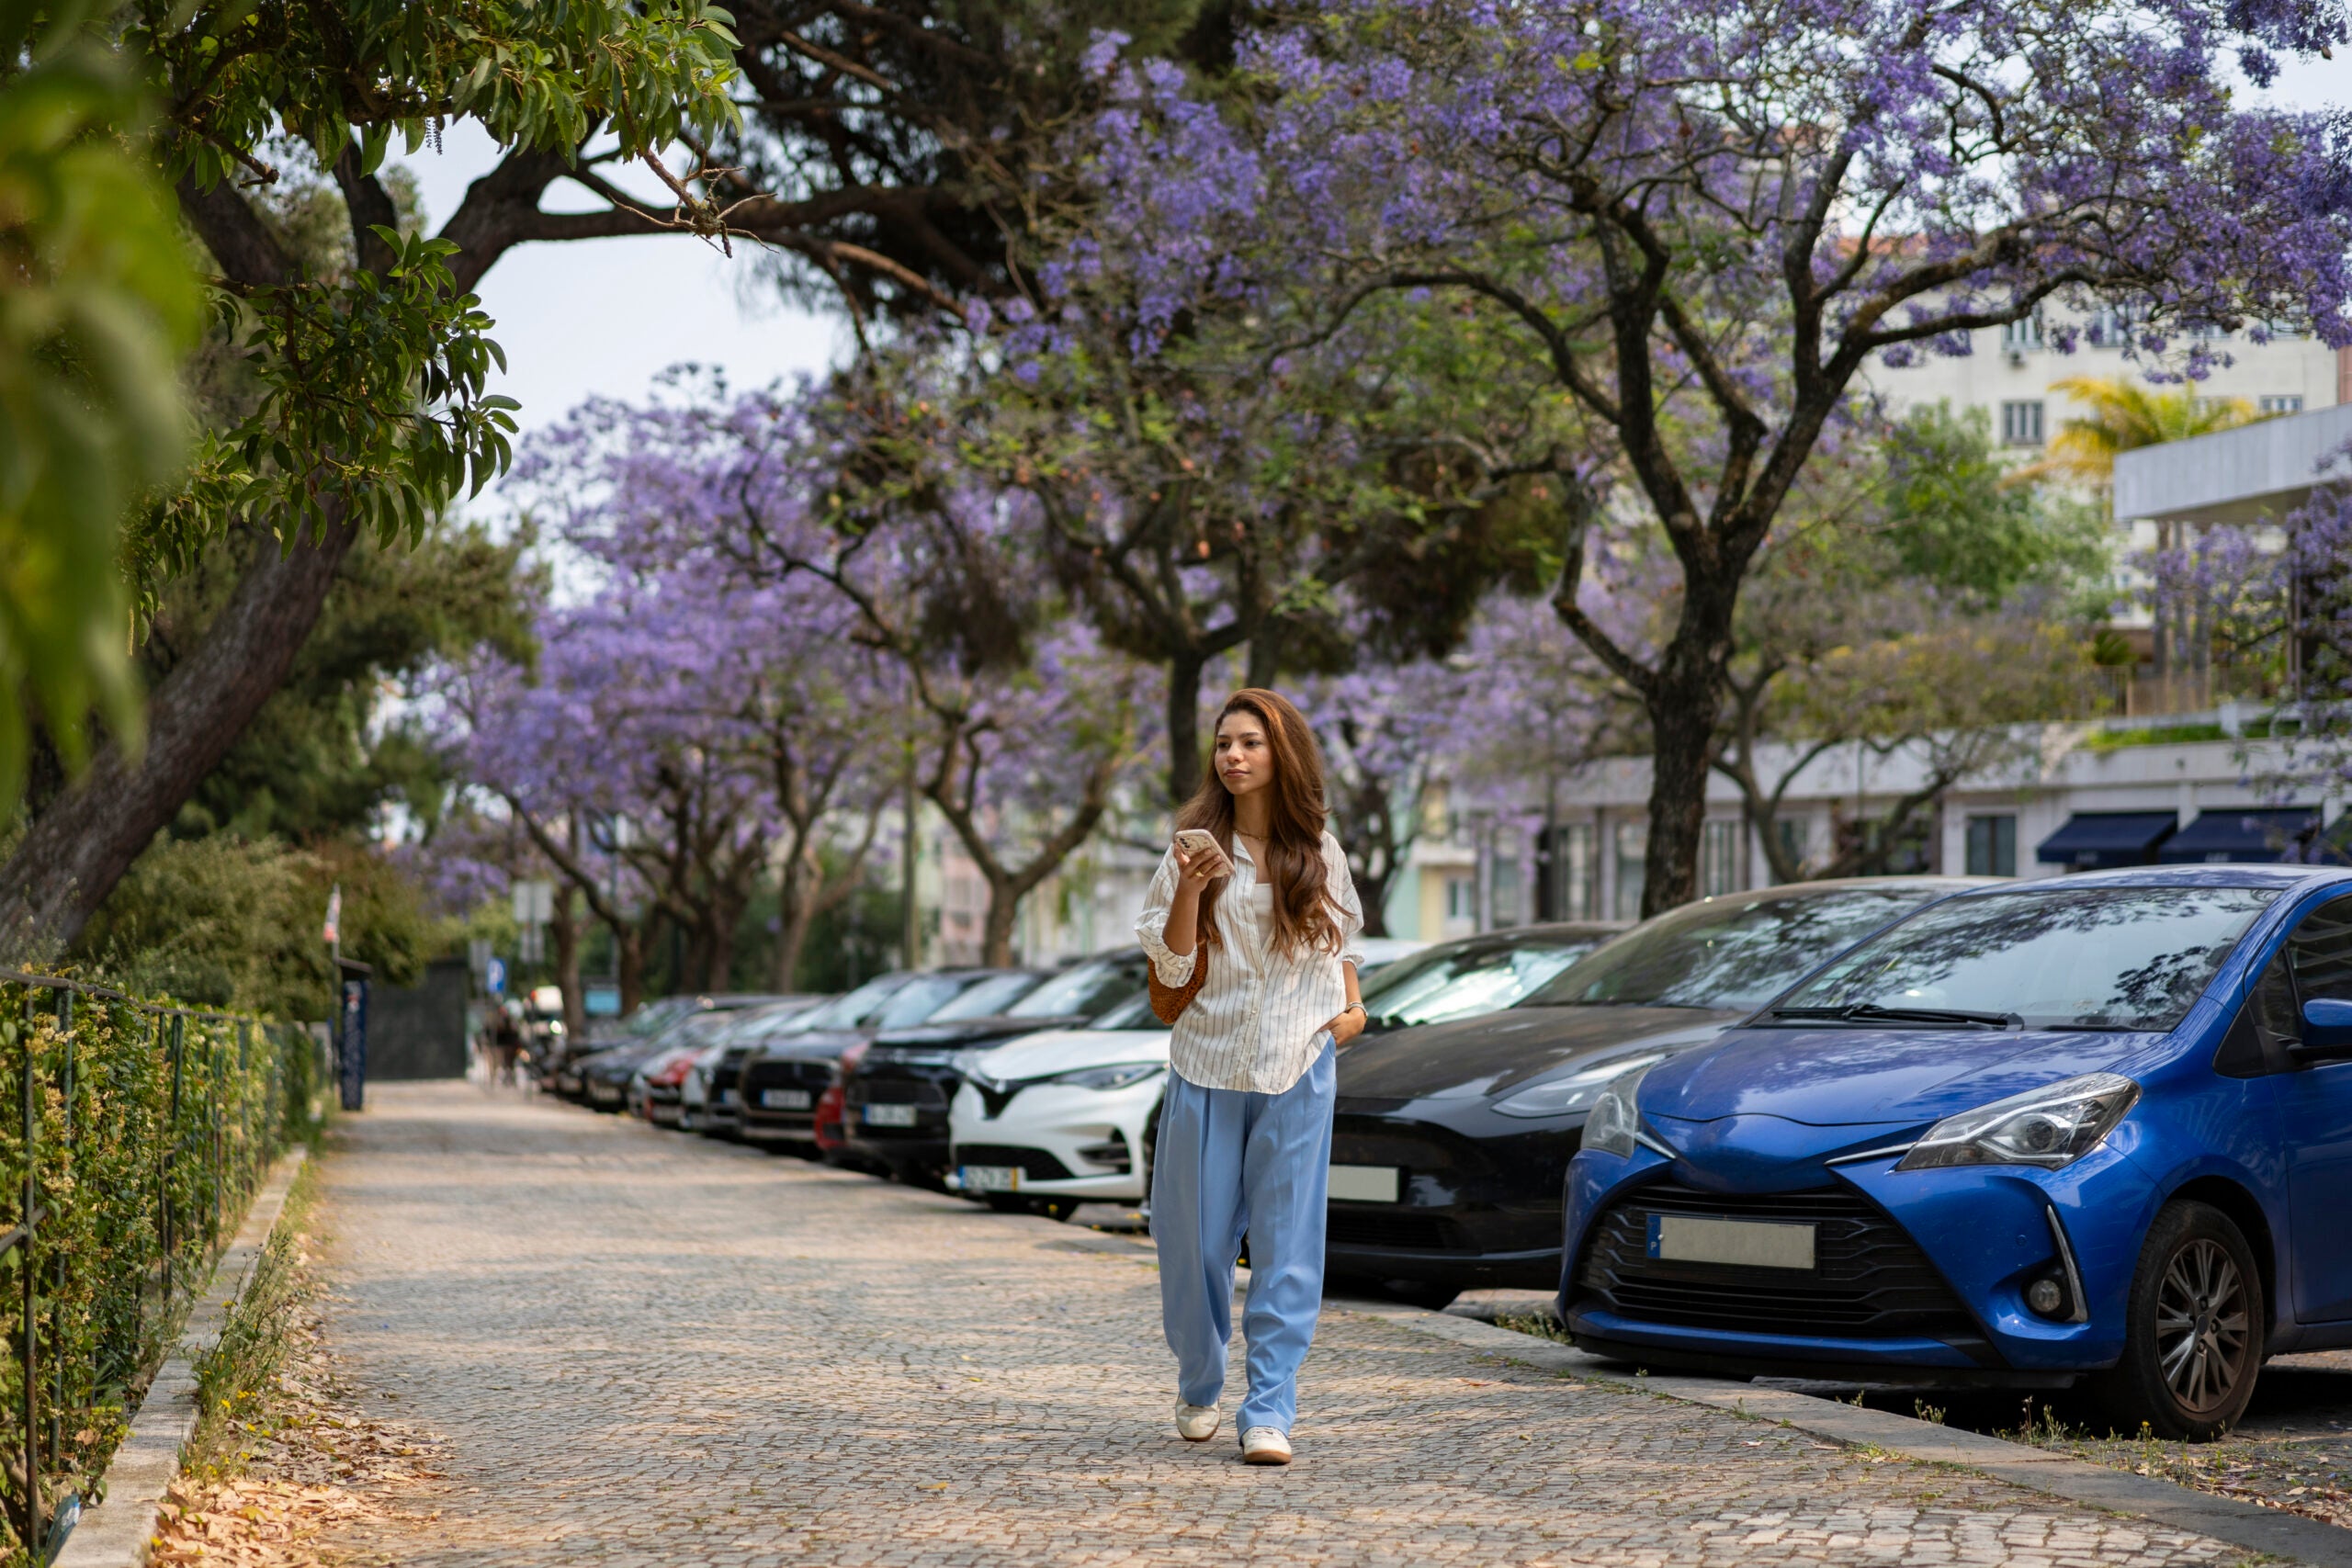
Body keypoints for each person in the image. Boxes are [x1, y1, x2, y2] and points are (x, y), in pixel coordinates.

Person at [1136, 688, 1367, 1468]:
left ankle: (1269, 1407)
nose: (1232, 755)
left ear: (1281, 753)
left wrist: (1353, 1008)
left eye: (1249, 743)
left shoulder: (1321, 849)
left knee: (1288, 1248)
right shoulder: (1190, 848)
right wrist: (1195, 884)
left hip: (1299, 1066)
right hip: (1206, 1068)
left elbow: (1343, 941)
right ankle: (1200, 1379)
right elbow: (1169, 966)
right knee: (1193, 1244)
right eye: (1223, 743)